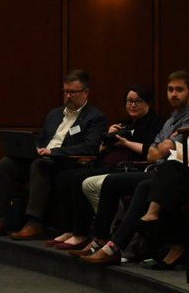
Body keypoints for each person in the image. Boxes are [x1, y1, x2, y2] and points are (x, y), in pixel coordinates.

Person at [81, 78, 189, 268]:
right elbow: (162, 152)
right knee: (127, 181)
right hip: (176, 173)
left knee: (163, 172)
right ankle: (108, 244)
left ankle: (137, 228)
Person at [73, 71, 189, 255]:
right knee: (110, 182)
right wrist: (161, 147)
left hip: (171, 177)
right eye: (170, 89)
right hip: (156, 169)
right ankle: (100, 239)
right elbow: (153, 153)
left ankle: (116, 247)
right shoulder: (170, 121)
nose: (173, 94)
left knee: (128, 183)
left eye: (179, 90)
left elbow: (158, 152)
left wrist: (160, 148)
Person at [0, 70, 107, 239]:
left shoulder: (95, 117)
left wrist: (52, 152)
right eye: (66, 92)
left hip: (64, 163)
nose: (68, 96)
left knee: (40, 165)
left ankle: (34, 222)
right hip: (41, 158)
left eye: (73, 92)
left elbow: (89, 147)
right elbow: (42, 139)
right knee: (7, 163)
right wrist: (32, 148)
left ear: (86, 93)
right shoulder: (55, 114)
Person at [48, 85, 163, 250]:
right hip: (105, 163)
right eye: (129, 101)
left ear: (148, 103)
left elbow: (150, 152)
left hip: (128, 168)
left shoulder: (155, 124)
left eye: (138, 101)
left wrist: (126, 143)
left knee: (78, 179)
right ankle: (69, 229)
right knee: (64, 176)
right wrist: (108, 136)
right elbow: (100, 150)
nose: (132, 105)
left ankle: (81, 233)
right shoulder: (124, 123)